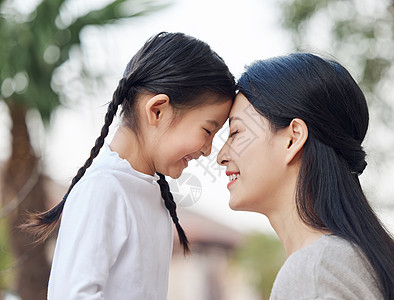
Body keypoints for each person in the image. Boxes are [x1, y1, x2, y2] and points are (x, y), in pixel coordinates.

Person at [21, 32, 235, 299]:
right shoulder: (103, 189)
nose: (207, 150)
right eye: (207, 130)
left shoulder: (152, 193)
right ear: (157, 110)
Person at [217, 53, 394, 300]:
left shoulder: (314, 271)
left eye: (236, 132)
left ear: (293, 138)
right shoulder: (354, 260)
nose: (221, 155)